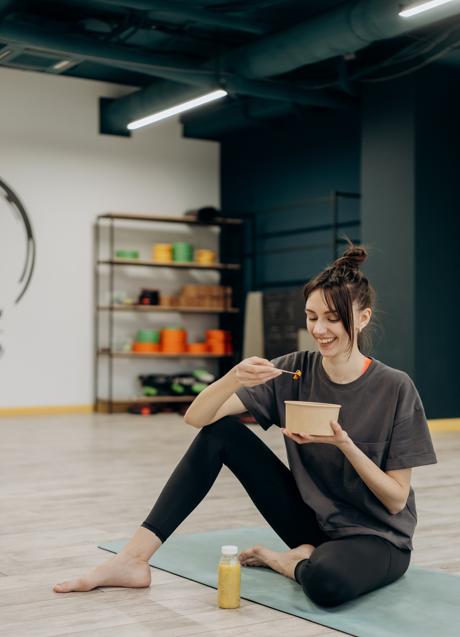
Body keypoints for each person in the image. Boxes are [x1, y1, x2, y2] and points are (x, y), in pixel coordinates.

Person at [54, 244, 437, 607]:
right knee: (221, 434)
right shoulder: (296, 369)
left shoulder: (395, 387)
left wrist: (345, 445)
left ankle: (287, 562)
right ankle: (132, 560)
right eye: (312, 317)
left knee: (326, 583)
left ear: (363, 317)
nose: (320, 329)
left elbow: (395, 499)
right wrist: (233, 377)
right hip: (313, 524)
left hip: (376, 538)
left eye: (333, 319)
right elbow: (196, 418)